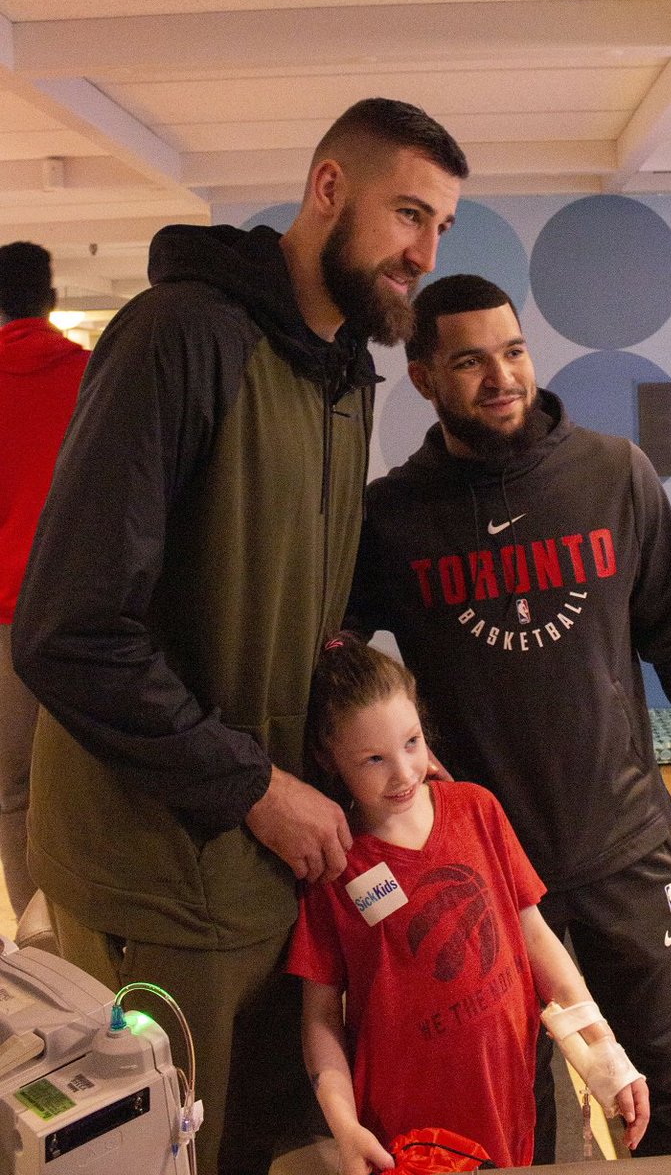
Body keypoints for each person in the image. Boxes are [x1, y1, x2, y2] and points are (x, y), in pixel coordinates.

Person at [12, 99, 467, 1175]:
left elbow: (293, 618)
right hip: (154, 876)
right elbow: (69, 631)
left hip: (271, 876)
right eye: (409, 213)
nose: (425, 253)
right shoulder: (178, 335)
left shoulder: (344, 374)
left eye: (442, 226)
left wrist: (383, 749)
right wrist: (256, 787)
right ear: (328, 190)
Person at [345, 273, 671, 1159]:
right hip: (483, 873)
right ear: (422, 378)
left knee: (668, 1091)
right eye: (469, 362)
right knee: (518, 1109)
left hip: (622, 851)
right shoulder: (392, 516)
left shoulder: (613, 474)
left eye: (512, 352)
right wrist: (387, 767)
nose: (501, 377)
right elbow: (334, 660)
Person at [286, 635, 649, 1175]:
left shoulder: (478, 809)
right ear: (329, 758)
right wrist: (344, 1125)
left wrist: (606, 1054)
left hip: (506, 1100)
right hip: (407, 1137)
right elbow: (319, 1019)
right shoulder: (336, 867)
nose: (403, 773)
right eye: (374, 759)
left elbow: (535, 938)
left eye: (412, 743)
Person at [0, 242, 87, 920]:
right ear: (50, 301)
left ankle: (38, 948)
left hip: (4, 616)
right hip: (87, 612)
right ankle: (94, 931)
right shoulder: (94, 376)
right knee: (92, 781)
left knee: (16, 791)